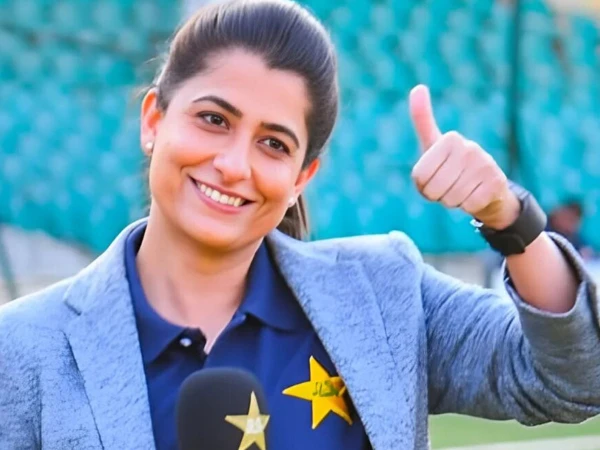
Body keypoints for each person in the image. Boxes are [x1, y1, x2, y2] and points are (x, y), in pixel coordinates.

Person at [1, 1, 599, 449]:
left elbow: (575, 380)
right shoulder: (25, 349)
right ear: (154, 120)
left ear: (301, 176)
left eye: (273, 144)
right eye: (213, 119)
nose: (234, 165)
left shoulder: (383, 294)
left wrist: (509, 220)